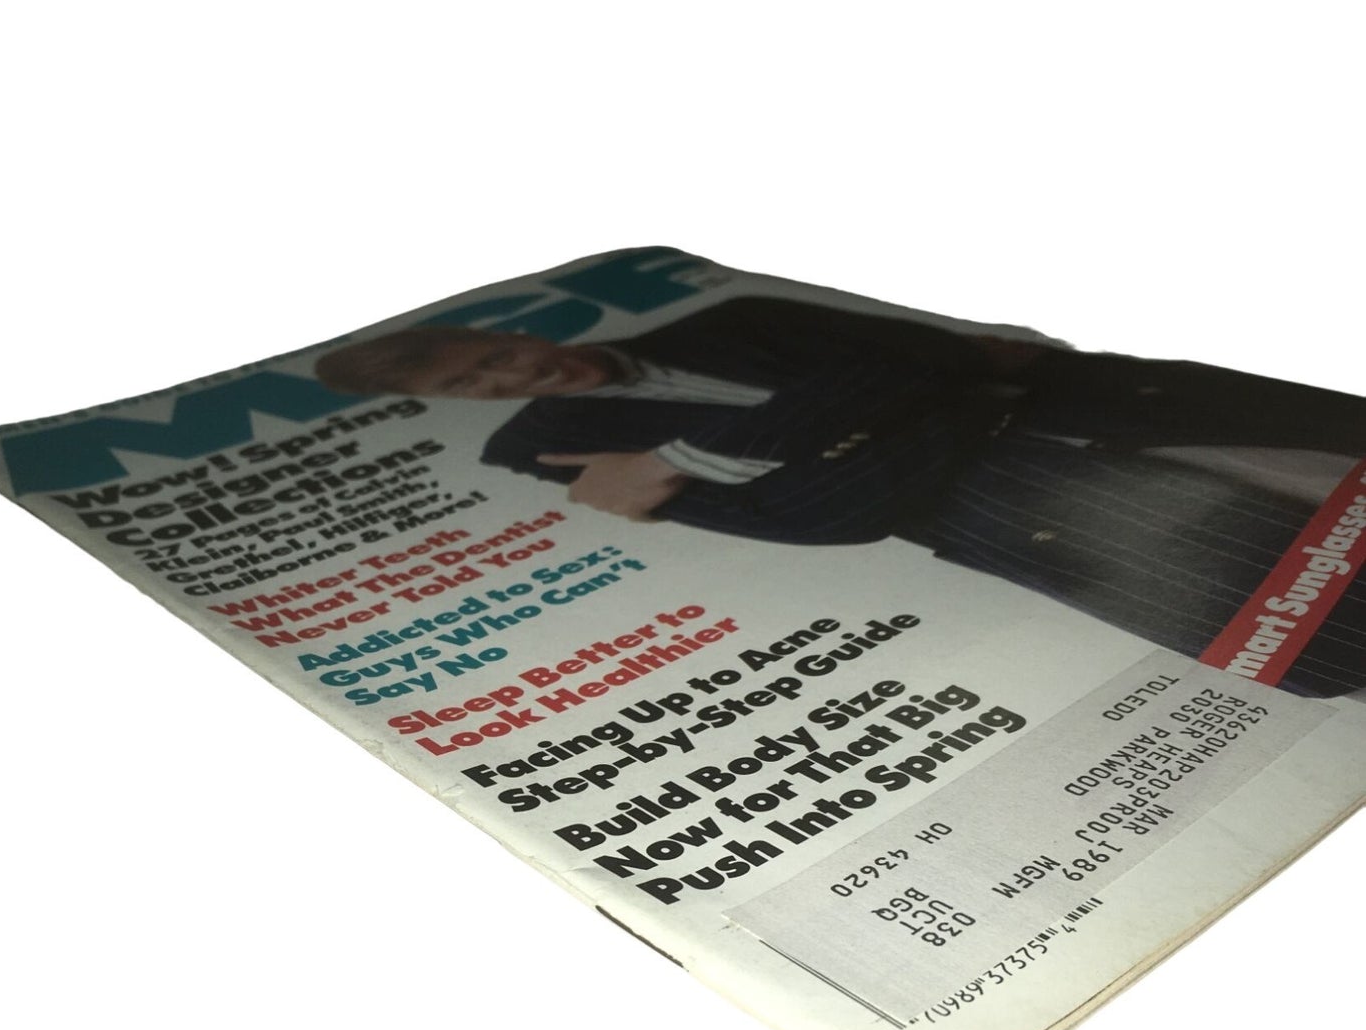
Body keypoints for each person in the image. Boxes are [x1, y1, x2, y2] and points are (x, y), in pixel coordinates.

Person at [314, 297, 1366, 695]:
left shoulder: (726, 320)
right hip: (1041, 512)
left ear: (506, 327)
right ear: (450, 401)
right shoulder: (540, 448)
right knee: (1334, 636)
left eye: (492, 352)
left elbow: (926, 363)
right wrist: (916, 408)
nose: (511, 374)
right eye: (472, 384)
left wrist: (680, 452)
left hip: (1132, 407)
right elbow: (825, 515)